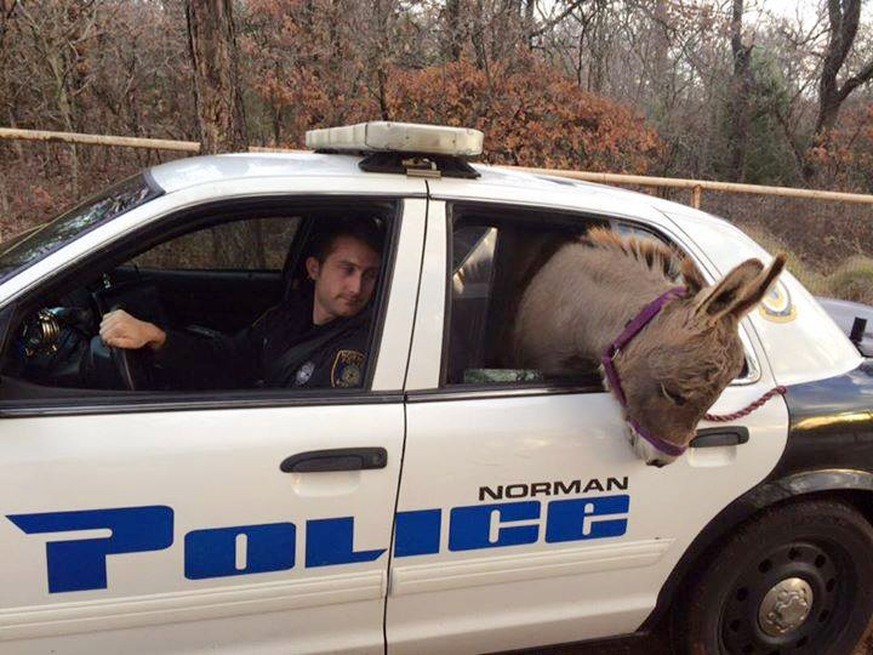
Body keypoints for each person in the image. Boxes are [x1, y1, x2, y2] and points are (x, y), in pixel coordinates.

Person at [98, 219, 383, 390]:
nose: (357, 288)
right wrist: (157, 339)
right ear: (313, 269)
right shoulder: (290, 314)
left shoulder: (366, 343)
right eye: (347, 269)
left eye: (369, 275)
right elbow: (230, 359)